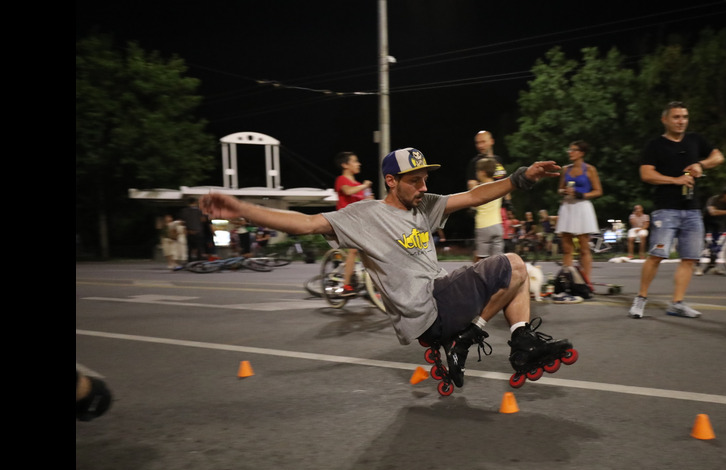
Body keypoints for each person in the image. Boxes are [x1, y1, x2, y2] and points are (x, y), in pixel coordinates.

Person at [200, 147, 570, 390]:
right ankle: (480, 338)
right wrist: (242, 209)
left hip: (441, 291)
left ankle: (515, 341)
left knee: (517, 275)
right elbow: (306, 224)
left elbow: (474, 196)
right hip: (427, 307)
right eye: (415, 181)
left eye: (425, 179)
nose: (423, 187)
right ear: (391, 181)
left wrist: (520, 178)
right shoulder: (365, 216)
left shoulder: (425, 206)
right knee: (515, 265)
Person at [630, 101, 724, 318]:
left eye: (684, 117)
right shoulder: (655, 145)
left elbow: (718, 157)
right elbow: (646, 174)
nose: (681, 121)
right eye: (676, 117)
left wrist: (702, 165)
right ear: (665, 119)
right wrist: (675, 180)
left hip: (692, 210)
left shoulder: (695, 140)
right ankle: (640, 299)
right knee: (656, 254)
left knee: (689, 259)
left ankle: (677, 303)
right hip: (666, 210)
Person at [556, 140, 603, 283]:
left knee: (584, 248)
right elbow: (559, 189)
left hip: (582, 206)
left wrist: (581, 194)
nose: (570, 152)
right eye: (569, 150)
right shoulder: (566, 169)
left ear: (581, 153)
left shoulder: (590, 169)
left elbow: (598, 191)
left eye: (573, 150)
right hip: (568, 206)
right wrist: (563, 191)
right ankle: (568, 280)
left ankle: (586, 281)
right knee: (567, 247)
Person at [334, 152, 374, 296]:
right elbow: (348, 191)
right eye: (355, 161)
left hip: (359, 221)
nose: (359, 164)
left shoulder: (359, 185)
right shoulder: (342, 179)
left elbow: (365, 203)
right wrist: (364, 186)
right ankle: (346, 285)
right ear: (345, 165)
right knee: (353, 250)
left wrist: (370, 200)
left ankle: (370, 287)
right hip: (345, 221)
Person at [469, 157, 505, 263]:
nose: (476, 173)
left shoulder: (478, 189)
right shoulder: (499, 186)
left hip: (483, 227)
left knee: (482, 259)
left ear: (483, 172)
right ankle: (498, 278)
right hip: (498, 226)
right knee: (498, 259)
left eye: (477, 171)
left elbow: (473, 205)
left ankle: (478, 278)